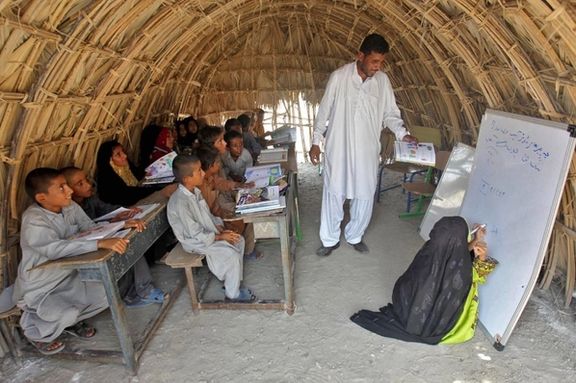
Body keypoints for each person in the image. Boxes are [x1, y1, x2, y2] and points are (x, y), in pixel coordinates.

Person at [309, 33, 418, 256]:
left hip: (367, 150)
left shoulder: (382, 81)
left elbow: (390, 114)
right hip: (339, 148)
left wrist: (403, 134)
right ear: (360, 56)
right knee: (334, 192)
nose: (377, 67)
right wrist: (315, 142)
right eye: (374, 61)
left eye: (381, 62)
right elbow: (324, 112)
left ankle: (354, 235)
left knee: (365, 194)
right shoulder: (339, 77)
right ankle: (329, 240)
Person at [12, 168, 129, 355]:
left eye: (66, 185)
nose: (69, 191)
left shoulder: (69, 206)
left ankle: (69, 324)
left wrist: (120, 225)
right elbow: (53, 249)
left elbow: (90, 228)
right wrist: (99, 243)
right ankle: (37, 334)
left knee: (106, 295)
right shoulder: (33, 219)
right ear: (42, 198)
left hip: (69, 275)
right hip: (42, 286)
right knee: (67, 313)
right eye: (61, 187)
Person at [350, 216, 496, 344]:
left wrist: (476, 239)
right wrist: (482, 258)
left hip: (408, 302)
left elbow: (455, 250)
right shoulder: (461, 271)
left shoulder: (431, 247)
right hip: (437, 322)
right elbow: (477, 275)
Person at [61, 166, 165, 307]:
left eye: (86, 179)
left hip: (101, 236)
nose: (88, 184)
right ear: (68, 189)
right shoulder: (66, 210)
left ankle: (142, 289)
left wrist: (121, 213)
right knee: (125, 246)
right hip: (86, 248)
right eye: (80, 184)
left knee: (130, 241)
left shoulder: (89, 199)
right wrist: (114, 223)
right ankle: (135, 293)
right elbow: (83, 232)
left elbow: (103, 211)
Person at [167, 155, 256, 302]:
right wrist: (220, 237)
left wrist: (218, 226)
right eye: (198, 171)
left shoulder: (195, 191)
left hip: (208, 232)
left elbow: (207, 215)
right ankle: (232, 295)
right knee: (230, 254)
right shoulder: (180, 202)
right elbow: (194, 232)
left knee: (238, 240)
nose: (203, 173)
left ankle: (232, 284)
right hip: (193, 241)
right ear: (187, 179)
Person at [196, 147, 261, 260]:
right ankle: (247, 251)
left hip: (219, 213)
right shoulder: (200, 186)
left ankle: (246, 248)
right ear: (211, 166)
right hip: (214, 220)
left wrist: (239, 185)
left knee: (247, 212)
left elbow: (222, 183)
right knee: (248, 217)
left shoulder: (211, 177)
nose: (220, 165)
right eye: (217, 163)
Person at [96, 140, 176, 206]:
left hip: (139, 198)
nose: (124, 156)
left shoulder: (126, 166)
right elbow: (127, 194)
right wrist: (155, 190)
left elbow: (139, 175)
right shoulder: (106, 179)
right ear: (110, 161)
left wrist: (146, 177)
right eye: (118, 154)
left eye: (123, 151)